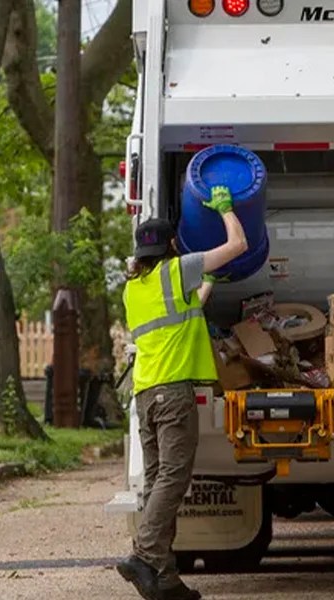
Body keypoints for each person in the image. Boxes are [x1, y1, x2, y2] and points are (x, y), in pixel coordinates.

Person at [116, 186, 248, 600]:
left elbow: (182, 313)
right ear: (172, 246)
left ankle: (165, 578)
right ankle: (145, 553)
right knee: (174, 476)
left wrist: (205, 283)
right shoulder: (178, 270)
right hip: (173, 394)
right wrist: (227, 209)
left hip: (145, 394)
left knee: (158, 480)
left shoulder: (134, 289)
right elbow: (239, 244)